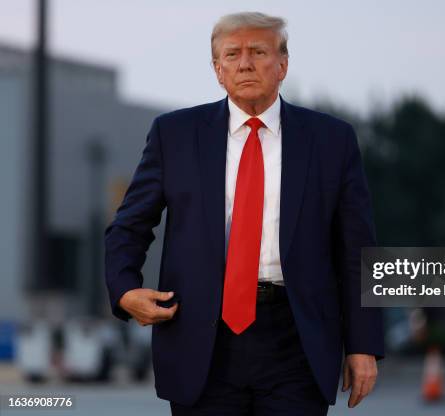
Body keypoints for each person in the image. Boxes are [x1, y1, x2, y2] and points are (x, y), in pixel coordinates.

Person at [104, 11, 384, 415]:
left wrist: (363, 345)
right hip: (200, 335)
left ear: (283, 64)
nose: (245, 63)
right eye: (232, 54)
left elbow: (358, 251)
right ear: (218, 70)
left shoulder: (331, 140)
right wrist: (125, 289)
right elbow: (129, 226)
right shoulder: (175, 135)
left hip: (298, 338)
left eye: (258, 51)